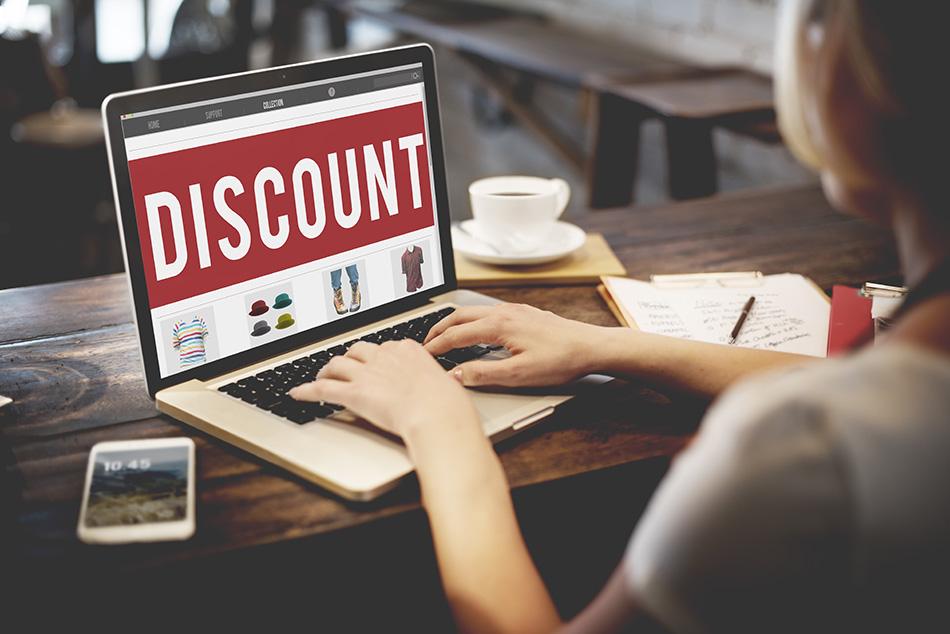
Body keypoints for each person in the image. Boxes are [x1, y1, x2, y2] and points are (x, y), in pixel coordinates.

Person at [291, 1, 950, 631]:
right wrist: (610, 346)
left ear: (881, 78)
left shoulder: (800, 451)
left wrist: (438, 426)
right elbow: (835, 380)